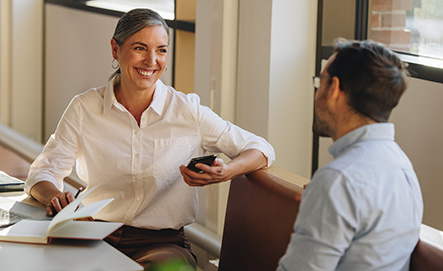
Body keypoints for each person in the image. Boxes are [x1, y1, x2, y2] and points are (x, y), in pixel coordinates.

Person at [25, 8, 275, 269]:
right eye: (140, 48)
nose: (151, 61)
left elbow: (261, 148)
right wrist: (55, 196)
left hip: (161, 245)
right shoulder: (84, 108)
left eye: (162, 50)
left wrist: (227, 171)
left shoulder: (187, 112)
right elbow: (43, 172)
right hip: (92, 235)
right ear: (115, 49)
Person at [277, 40, 423, 270]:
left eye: (319, 82)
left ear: (334, 89)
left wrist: (325, 194)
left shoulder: (338, 180)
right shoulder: (403, 168)